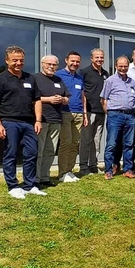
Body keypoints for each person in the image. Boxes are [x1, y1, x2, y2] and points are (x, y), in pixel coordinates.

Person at [0, 46, 44, 199]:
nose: (19, 63)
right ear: (7, 61)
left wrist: (38, 120)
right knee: (11, 154)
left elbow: (37, 100)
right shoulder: (0, 79)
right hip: (9, 122)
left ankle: (29, 185)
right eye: (15, 60)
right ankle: (12, 186)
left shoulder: (30, 78)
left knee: (31, 153)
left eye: (21, 60)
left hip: (29, 123)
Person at [34, 55, 70, 188]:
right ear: (42, 64)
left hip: (56, 119)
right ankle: (35, 178)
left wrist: (63, 99)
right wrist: (48, 99)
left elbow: (67, 98)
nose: (51, 67)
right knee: (39, 150)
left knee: (50, 150)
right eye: (48, 64)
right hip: (41, 119)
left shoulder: (59, 79)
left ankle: (45, 177)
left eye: (54, 65)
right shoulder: (35, 78)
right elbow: (31, 98)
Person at [101, 56, 135, 180]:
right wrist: (110, 113)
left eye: (125, 66)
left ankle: (128, 169)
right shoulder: (110, 80)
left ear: (128, 67)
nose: (123, 68)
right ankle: (108, 170)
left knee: (129, 144)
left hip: (130, 115)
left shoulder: (132, 82)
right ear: (116, 66)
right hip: (115, 115)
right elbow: (104, 99)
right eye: (120, 66)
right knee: (112, 143)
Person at [56, 52, 87, 183]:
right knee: (66, 142)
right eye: (72, 61)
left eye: (77, 61)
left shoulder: (79, 78)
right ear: (66, 60)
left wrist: (85, 114)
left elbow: (82, 96)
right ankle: (62, 173)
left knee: (75, 144)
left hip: (79, 113)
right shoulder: (58, 75)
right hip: (65, 112)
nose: (75, 63)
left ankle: (69, 170)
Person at [79, 48, 108, 175]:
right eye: (97, 57)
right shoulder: (84, 72)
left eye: (101, 57)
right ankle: (83, 166)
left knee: (97, 139)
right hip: (89, 111)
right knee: (86, 140)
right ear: (91, 58)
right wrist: (84, 112)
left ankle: (93, 165)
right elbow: (81, 92)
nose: (99, 60)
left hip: (101, 111)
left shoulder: (106, 73)